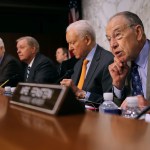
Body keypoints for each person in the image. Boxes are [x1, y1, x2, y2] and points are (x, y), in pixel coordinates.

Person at [60, 20, 114, 105]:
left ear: (87, 40)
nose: (70, 48)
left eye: (72, 43)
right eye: (68, 44)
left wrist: (81, 93)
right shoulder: (78, 64)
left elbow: (111, 102)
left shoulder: (108, 61)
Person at [106, 11, 150, 108]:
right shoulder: (122, 66)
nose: (113, 44)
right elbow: (117, 111)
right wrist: (118, 85)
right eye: (109, 39)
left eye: (118, 35)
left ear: (138, 32)